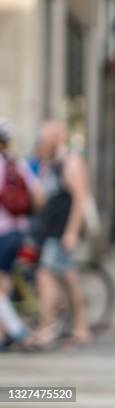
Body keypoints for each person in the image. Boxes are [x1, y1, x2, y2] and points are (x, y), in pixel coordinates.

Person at [31, 121, 91, 347]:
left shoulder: (70, 162)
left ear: (56, 137)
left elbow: (80, 198)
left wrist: (72, 232)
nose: (41, 143)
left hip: (61, 232)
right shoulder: (51, 163)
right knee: (68, 280)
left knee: (46, 276)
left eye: (45, 138)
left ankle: (47, 326)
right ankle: (80, 327)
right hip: (52, 230)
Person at [0, 121, 43, 349]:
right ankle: (3, 336)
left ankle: (20, 333)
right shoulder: (18, 164)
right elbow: (38, 196)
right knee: (3, 286)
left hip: (1, 233)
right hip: (19, 231)